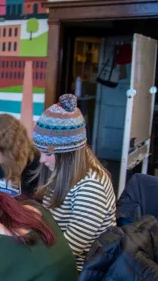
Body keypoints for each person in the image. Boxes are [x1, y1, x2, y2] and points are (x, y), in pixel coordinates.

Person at [34, 94, 116, 271]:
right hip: (56, 257)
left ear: (68, 154)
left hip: (76, 271)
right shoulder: (62, 170)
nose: (41, 160)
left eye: (47, 153)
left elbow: (69, 250)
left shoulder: (91, 187)